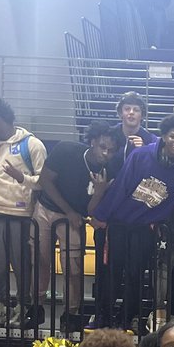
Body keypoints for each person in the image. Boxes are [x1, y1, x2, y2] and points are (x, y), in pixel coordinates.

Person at [93, 116, 174, 330]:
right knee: (112, 273)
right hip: (119, 225)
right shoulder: (140, 155)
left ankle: (127, 318)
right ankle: (103, 316)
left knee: (136, 275)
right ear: (164, 136)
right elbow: (121, 187)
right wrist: (102, 215)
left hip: (145, 230)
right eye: (173, 136)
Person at [33, 121, 116, 334]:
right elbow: (45, 181)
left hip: (76, 218)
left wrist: (99, 192)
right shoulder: (66, 149)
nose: (106, 153)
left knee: (74, 268)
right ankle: (35, 307)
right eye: (103, 147)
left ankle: (71, 314)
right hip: (46, 209)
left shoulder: (109, 169)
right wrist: (68, 210)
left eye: (111, 150)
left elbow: (92, 208)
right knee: (40, 260)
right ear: (93, 141)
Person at [0, 98, 47, 331]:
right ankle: (0, 308)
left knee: (21, 264)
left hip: (21, 214)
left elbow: (44, 183)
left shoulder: (32, 144)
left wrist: (21, 177)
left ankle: (22, 308)